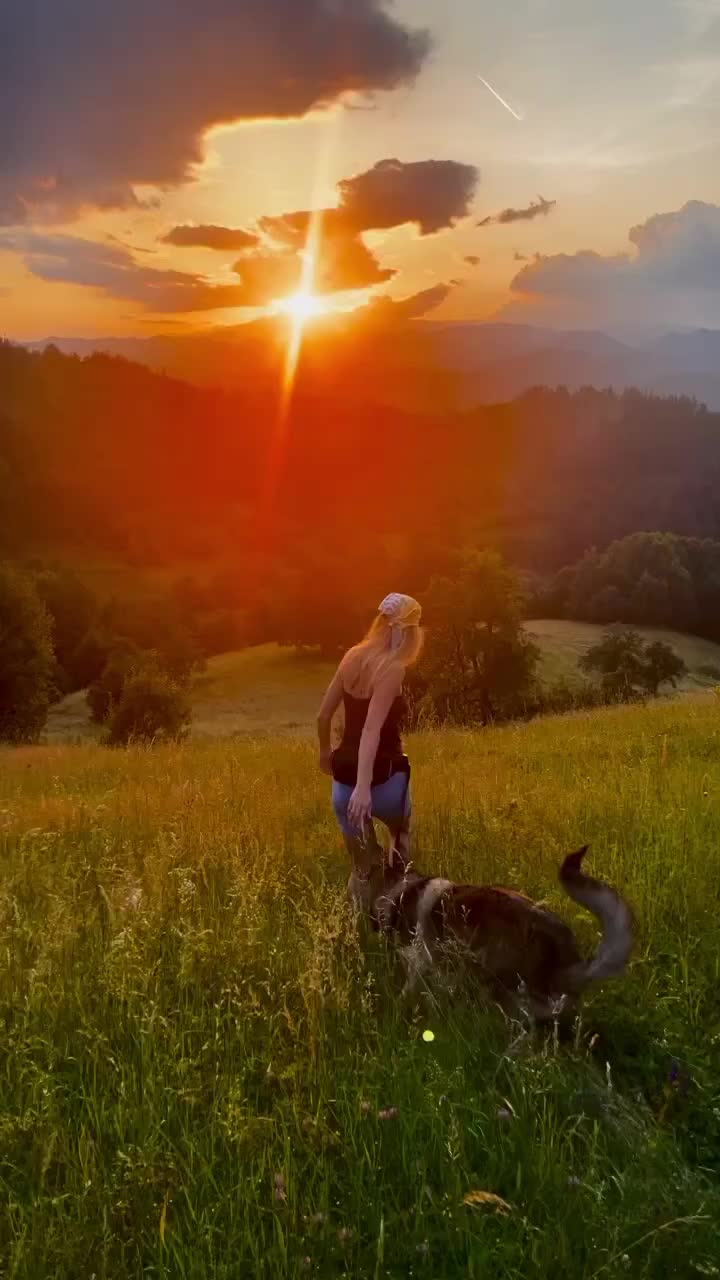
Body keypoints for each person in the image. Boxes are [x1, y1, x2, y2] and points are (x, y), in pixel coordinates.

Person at [317, 592, 423, 873]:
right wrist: (364, 788)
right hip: (385, 781)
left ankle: (366, 915)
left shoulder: (351, 656)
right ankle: (397, 908)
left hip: (343, 783)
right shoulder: (392, 669)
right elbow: (371, 729)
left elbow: (323, 715)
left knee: (364, 871)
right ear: (407, 632)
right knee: (400, 849)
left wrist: (325, 752)